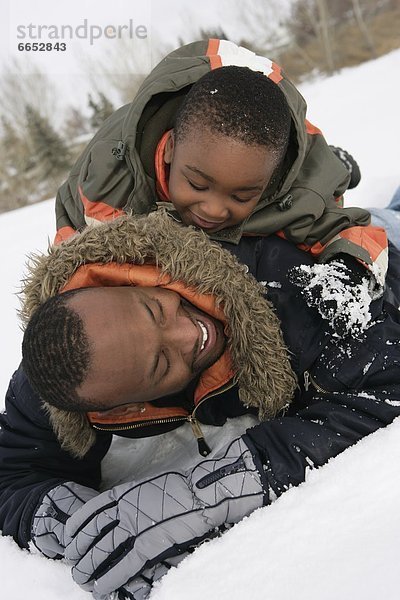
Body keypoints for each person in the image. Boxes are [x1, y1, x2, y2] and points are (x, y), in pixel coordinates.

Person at [1, 211, 400, 600]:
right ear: (125, 408)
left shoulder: (284, 287)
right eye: (160, 363)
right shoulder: (65, 376)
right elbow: (12, 471)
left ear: (128, 279)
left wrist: (212, 489)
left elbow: (386, 386)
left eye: (155, 310)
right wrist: (77, 525)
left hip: (380, 260)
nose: (189, 333)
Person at [55, 38, 388, 333]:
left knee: (330, 183)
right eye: (197, 184)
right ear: (170, 148)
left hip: (300, 164)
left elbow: (352, 232)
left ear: (270, 183)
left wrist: (348, 273)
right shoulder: (111, 180)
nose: (213, 209)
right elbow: (75, 254)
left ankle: (337, 165)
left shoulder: (299, 191)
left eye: (242, 195)